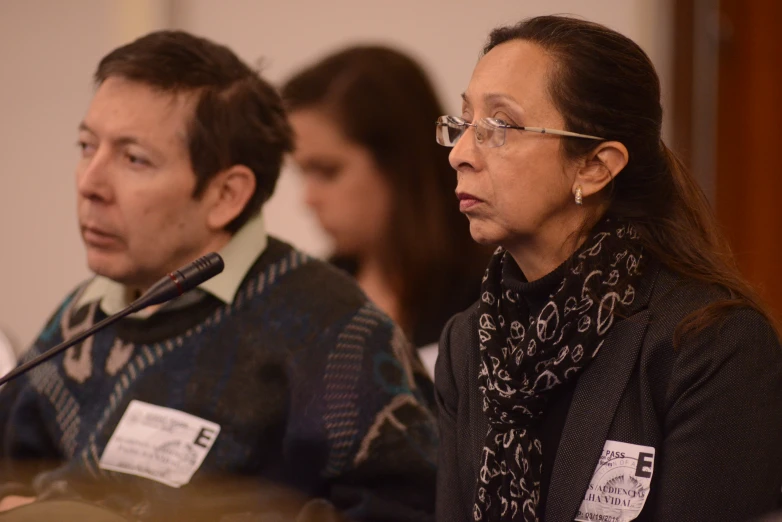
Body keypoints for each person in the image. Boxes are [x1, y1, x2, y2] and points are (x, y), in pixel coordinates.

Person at [0, 30, 437, 522]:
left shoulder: (336, 332)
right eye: (86, 146)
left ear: (225, 194)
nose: (90, 183)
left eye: (133, 158)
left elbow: (410, 508)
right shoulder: (86, 312)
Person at [434, 15, 782, 522]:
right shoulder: (469, 342)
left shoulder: (710, 346)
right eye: (465, 123)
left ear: (595, 166)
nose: (461, 154)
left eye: (500, 127)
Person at [281, 46, 490, 374]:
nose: (308, 199)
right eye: (302, 173)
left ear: (399, 163)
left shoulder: (488, 295)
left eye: (327, 170)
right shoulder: (312, 295)